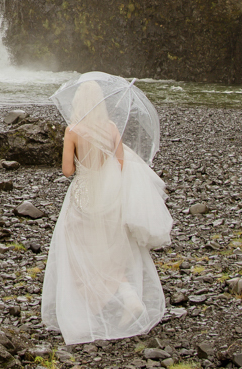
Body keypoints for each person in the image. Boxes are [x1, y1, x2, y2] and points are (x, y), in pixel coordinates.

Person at [41, 79, 171, 343]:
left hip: (83, 196)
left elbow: (67, 171)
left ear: (78, 102)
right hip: (109, 197)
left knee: (79, 248)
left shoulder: (73, 130)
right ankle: (128, 296)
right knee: (111, 249)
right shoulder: (111, 128)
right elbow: (122, 163)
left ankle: (89, 306)